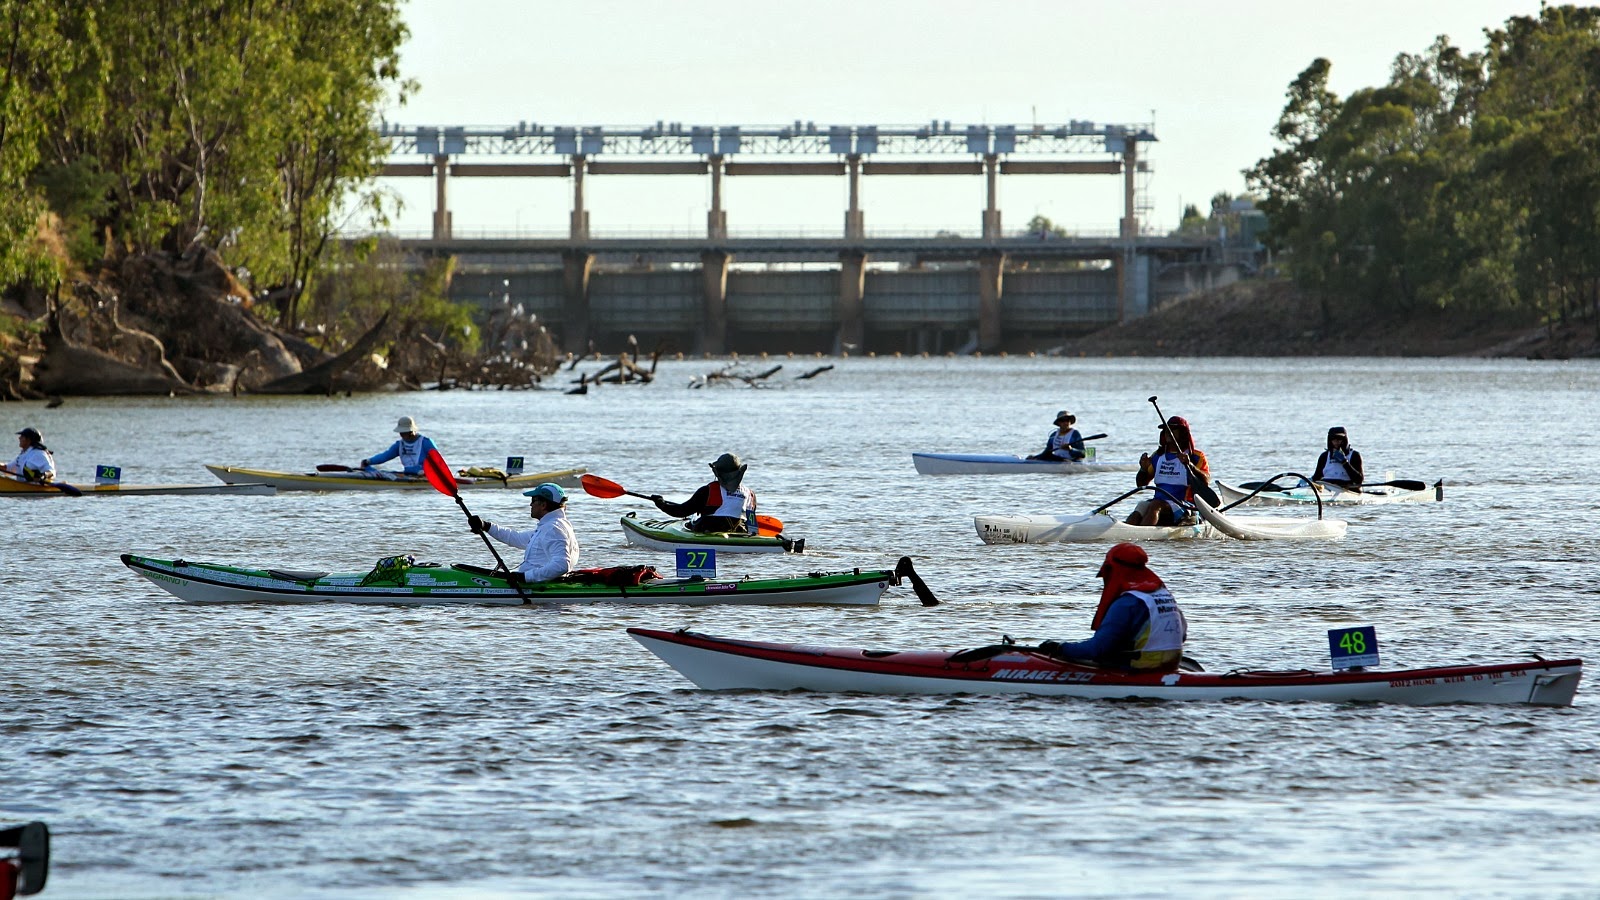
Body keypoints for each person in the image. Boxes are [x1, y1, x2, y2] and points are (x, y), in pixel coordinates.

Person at [1038, 542, 1188, 672]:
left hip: (1137, 668)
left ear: (1112, 570)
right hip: (1171, 665)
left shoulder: (1127, 602)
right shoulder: (1162, 593)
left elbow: (1097, 649)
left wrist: (1059, 648)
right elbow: (1182, 636)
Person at [467, 482, 579, 584]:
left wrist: (524, 577)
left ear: (543, 505)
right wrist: (486, 526)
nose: (530, 505)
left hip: (536, 588)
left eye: (533, 500)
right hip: (534, 583)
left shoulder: (553, 529)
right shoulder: (552, 525)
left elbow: (562, 565)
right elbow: (517, 538)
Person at [1125, 416, 1211, 527]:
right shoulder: (1158, 456)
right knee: (1139, 509)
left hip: (1186, 506)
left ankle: (1144, 537)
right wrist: (1143, 469)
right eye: (1166, 429)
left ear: (1183, 433)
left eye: (1173, 429)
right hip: (1159, 505)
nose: (1168, 432)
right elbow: (1141, 484)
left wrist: (1189, 465)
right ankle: (1126, 535)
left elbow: (1206, 481)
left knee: (1155, 505)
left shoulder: (1196, 457)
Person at [651, 453, 757, 533]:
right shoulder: (750, 494)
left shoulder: (708, 491)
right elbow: (752, 525)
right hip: (739, 533)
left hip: (709, 532)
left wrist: (661, 504)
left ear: (718, 473)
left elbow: (681, 512)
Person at [359, 416, 438, 476]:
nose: (401, 434)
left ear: (411, 431)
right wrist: (368, 461)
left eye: (404, 432)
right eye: (400, 432)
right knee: (369, 469)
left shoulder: (426, 442)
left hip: (425, 474)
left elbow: (438, 462)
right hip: (408, 474)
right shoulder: (399, 445)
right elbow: (384, 456)